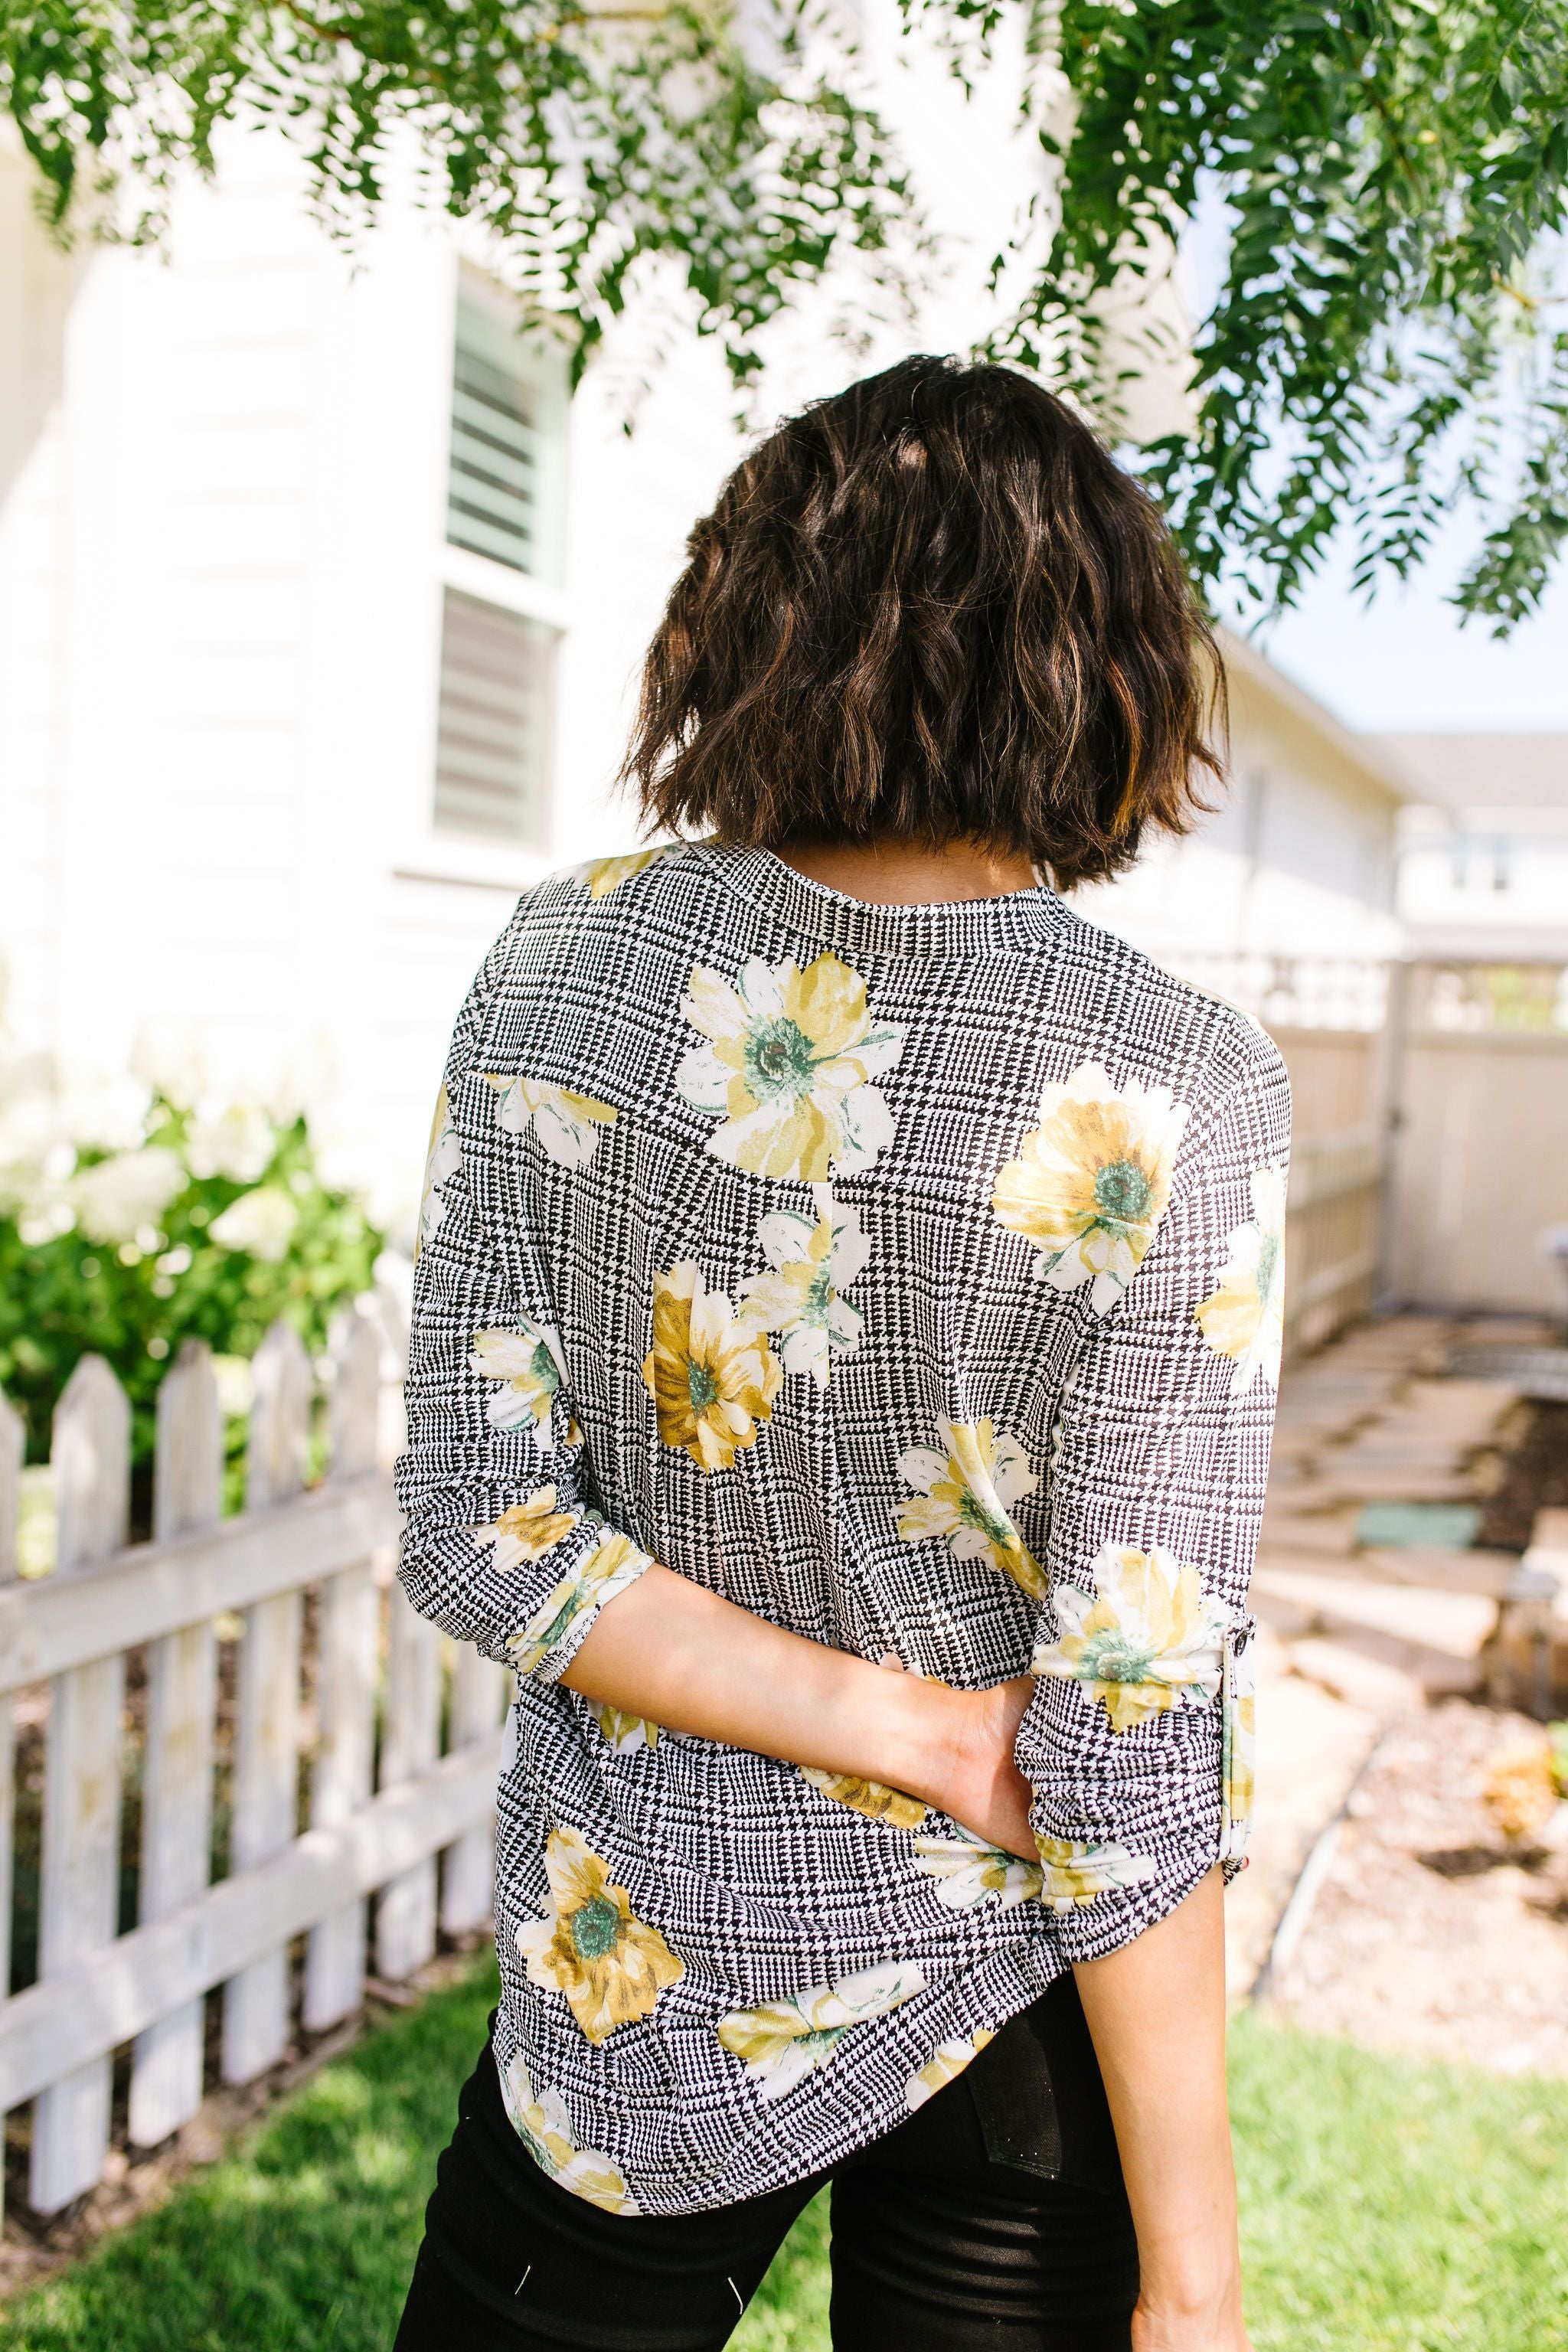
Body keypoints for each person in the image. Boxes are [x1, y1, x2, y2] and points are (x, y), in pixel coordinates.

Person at [391, 352, 1287, 2352]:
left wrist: (908, 1729)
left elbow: (478, 1523)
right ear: (1100, 664)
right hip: (1006, 1983)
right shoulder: (1174, 1081)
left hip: (636, 1973)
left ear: (748, 630)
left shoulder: (558, 967)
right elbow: (1133, 1716)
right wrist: (1197, 2283)